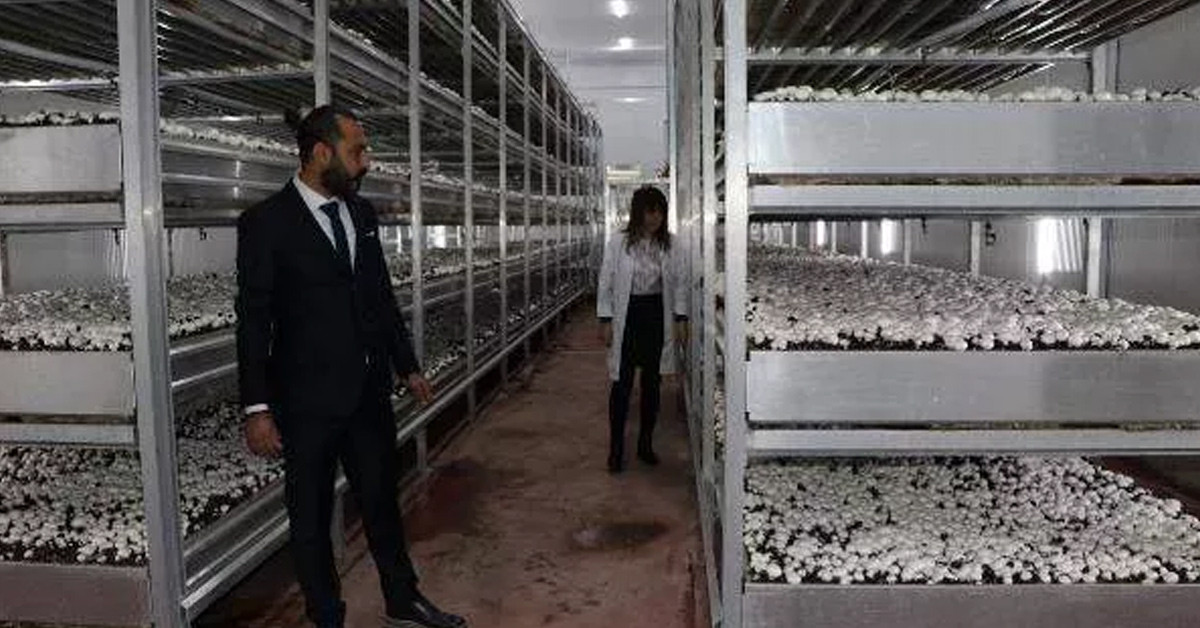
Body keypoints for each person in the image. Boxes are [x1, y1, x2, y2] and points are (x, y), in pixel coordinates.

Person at [237, 104, 467, 628]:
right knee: (311, 515)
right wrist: (257, 408)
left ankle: (402, 598)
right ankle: (326, 615)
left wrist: (407, 366)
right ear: (322, 153)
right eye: (357, 151)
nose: (366, 161)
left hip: (366, 392)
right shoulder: (266, 224)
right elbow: (252, 321)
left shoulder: (360, 215)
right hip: (306, 402)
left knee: (382, 500)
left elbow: (379, 297)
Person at [596, 186, 689, 474]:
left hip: (655, 316)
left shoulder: (672, 245)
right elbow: (606, 279)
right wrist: (605, 319)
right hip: (628, 316)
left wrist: (681, 317)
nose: (655, 217)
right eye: (649, 211)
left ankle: (645, 444)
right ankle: (615, 449)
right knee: (621, 385)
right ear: (638, 213)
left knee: (651, 384)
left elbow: (680, 283)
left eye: (659, 211)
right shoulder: (618, 242)